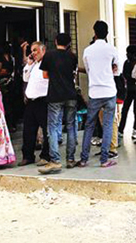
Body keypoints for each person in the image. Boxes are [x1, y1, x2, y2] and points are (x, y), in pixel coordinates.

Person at [77, 21, 119, 168]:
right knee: (107, 126)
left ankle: (83, 159)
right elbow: (117, 71)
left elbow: (88, 70)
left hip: (94, 91)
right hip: (109, 91)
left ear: (94, 32)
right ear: (107, 33)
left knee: (89, 125)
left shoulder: (88, 51)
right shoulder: (112, 49)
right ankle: (104, 159)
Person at [39, 33, 79, 174]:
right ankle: (70, 159)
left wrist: (55, 76)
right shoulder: (72, 56)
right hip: (71, 95)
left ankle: (55, 160)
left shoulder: (49, 55)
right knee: (71, 126)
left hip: (55, 95)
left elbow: (45, 75)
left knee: (53, 127)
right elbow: (73, 74)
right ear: (69, 44)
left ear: (56, 41)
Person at [18, 41, 51, 167]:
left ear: (43, 50)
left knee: (46, 130)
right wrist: (29, 64)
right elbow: (25, 78)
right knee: (28, 130)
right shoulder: (34, 65)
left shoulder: (47, 64)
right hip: (31, 101)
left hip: (43, 100)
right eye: (32, 50)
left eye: (35, 50)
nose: (33, 53)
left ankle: (46, 155)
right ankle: (28, 156)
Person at [118, 45, 136, 140]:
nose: (127, 55)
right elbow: (125, 75)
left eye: (129, 53)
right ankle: (120, 129)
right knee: (125, 110)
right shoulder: (126, 63)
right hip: (129, 89)